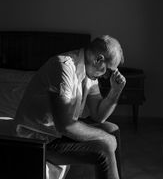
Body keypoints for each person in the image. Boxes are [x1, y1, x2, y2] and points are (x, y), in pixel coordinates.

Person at [14, 35, 126, 179]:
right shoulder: (63, 67)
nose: (106, 76)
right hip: (38, 138)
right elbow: (65, 126)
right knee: (104, 150)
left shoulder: (89, 72)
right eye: (108, 70)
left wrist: (115, 92)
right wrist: (104, 137)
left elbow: (99, 116)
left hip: (56, 131)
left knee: (112, 130)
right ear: (98, 59)